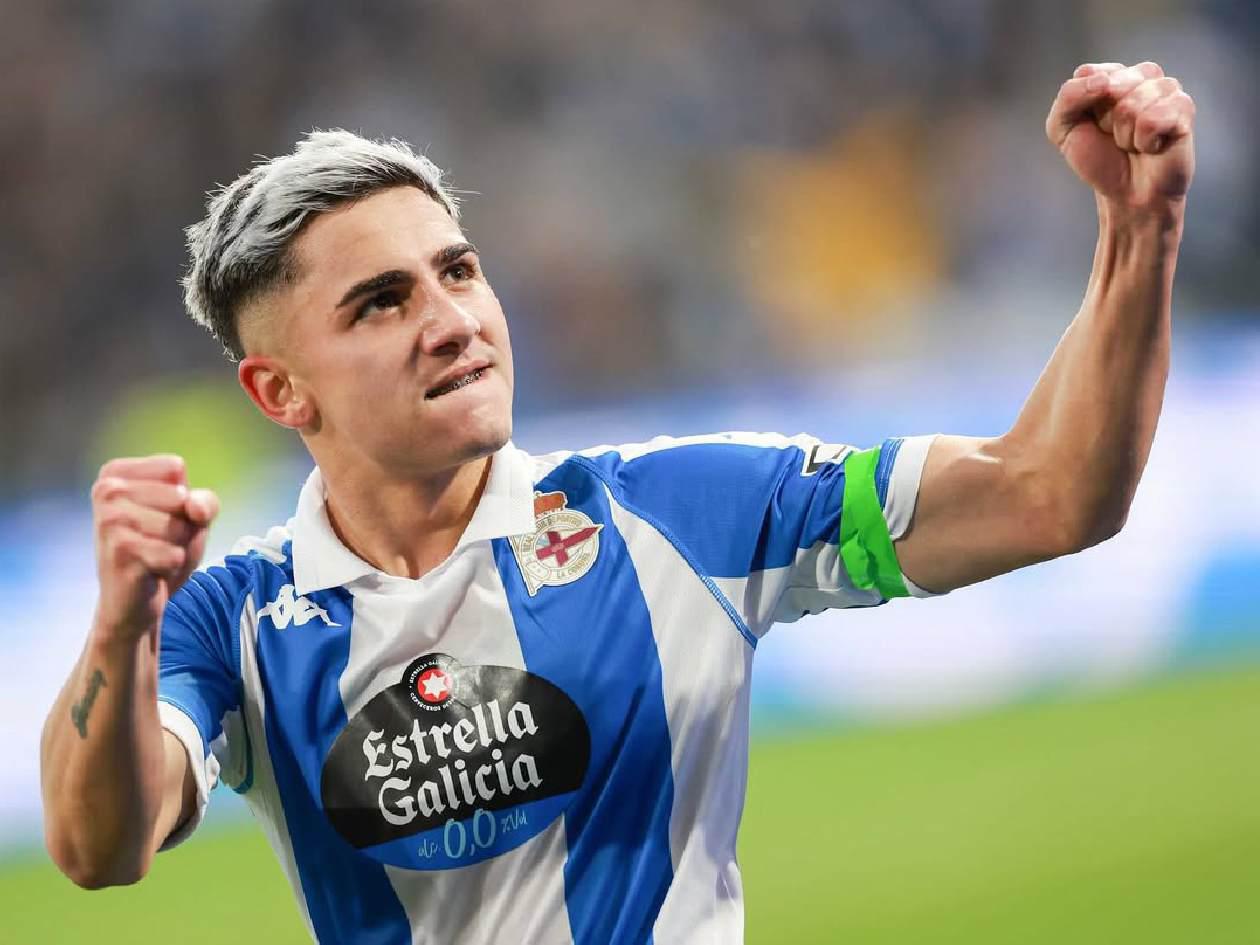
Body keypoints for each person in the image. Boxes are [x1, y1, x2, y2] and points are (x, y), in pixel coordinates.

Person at [40, 60, 1195, 944]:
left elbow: (1052, 493)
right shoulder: (231, 623)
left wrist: (1138, 227)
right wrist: (122, 624)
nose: (453, 320)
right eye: (381, 302)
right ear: (279, 391)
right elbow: (98, 848)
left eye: (457, 270)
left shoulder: (680, 511)